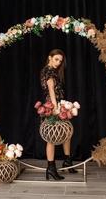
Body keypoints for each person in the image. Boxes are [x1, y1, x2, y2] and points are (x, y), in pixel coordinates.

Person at [40, 49, 77, 181]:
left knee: (66, 132)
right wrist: (55, 108)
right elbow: (51, 91)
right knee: (51, 137)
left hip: (59, 105)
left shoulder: (54, 71)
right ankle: (51, 168)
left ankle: (67, 160)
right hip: (52, 107)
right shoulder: (48, 71)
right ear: (50, 57)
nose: (58, 62)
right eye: (56, 59)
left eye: (60, 61)